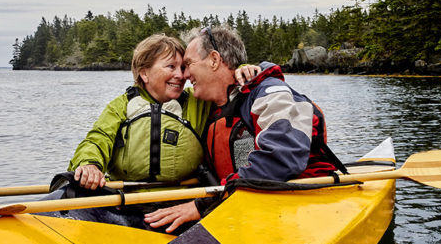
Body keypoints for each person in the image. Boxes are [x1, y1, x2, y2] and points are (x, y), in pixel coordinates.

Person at [41, 34, 260, 231]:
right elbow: (98, 139)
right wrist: (89, 164)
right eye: (170, 67)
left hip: (181, 203)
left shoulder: (197, 102)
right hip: (125, 204)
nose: (181, 75)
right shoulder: (121, 106)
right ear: (144, 73)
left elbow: (223, 82)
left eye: (183, 67)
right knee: (63, 197)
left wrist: (244, 70)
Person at [144, 26, 345, 233]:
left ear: (214, 60)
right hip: (242, 207)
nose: (184, 74)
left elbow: (283, 156)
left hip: (299, 211)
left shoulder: (270, 93)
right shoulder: (212, 109)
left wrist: (203, 205)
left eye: (188, 64)